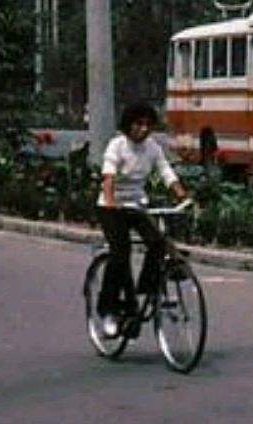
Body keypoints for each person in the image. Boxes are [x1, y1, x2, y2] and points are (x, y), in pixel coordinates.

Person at [95, 102, 190, 340]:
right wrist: (110, 201)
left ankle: (145, 288)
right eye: (138, 124)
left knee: (157, 242)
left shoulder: (152, 148)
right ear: (128, 125)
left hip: (137, 204)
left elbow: (166, 171)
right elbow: (108, 176)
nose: (144, 129)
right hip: (111, 207)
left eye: (148, 124)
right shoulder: (117, 145)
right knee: (120, 252)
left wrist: (180, 193)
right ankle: (108, 308)